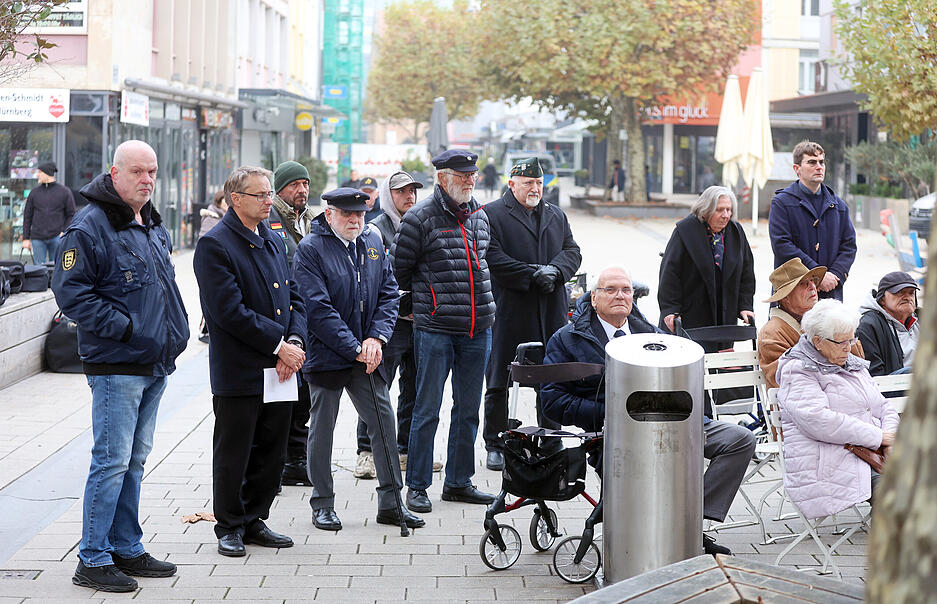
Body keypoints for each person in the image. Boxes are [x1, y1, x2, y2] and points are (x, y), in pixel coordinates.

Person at [540, 266, 755, 555]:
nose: (620, 295)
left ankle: (688, 522)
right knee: (641, 471)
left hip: (675, 421)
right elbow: (552, 401)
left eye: (626, 290)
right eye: (611, 290)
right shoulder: (567, 339)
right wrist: (609, 411)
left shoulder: (651, 333)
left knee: (740, 439)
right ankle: (668, 533)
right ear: (593, 298)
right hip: (615, 432)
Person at [51, 140, 189, 592]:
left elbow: (163, 286)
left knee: (134, 461)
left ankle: (127, 547)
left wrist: (174, 333)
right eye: (137, 172)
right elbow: (72, 293)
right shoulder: (89, 226)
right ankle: (92, 558)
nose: (147, 179)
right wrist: (128, 330)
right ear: (114, 173)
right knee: (111, 461)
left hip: (154, 362)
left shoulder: (149, 222)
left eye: (152, 171)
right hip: (116, 364)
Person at [293, 187, 424, 531]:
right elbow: (317, 309)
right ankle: (322, 504)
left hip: (368, 353)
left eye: (361, 214)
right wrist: (355, 347)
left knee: (383, 422)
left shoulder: (373, 241)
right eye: (347, 214)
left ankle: (392, 502)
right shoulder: (311, 249)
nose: (355, 220)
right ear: (330, 214)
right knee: (322, 429)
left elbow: (388, 293)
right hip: (329, 355)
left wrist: (376, 337)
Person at [193, 166, 306, 557]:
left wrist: (293, 339)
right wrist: (280, 347)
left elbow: (295, 297)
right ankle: (229, 524)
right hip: (241, 370)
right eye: (260, 195)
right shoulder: (216, 244)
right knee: (235, 450)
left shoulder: (273, 239)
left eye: (270, 193)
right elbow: (228, 312)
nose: (268, 200)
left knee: (271, 449)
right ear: (236, 199)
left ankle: (255, 517)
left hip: (280, 368)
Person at [391, 149, 497, 514]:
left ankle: (458, 481)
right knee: (427, 409)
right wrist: (426, 304)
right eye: (462, 174)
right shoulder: (419, 219)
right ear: (441, 177)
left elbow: (485, 261)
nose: (470, 180)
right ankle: (417, 486)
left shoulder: (480, 215)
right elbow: (397, 273)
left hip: (478, 329)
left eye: (473, 174)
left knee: (468, 410)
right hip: (435, 328)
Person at [482, 157, 582, 471]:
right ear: (512, 184)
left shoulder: (555, 214)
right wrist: (530, 274)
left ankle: (549, 437)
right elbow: (492, 256)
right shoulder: (492, 214)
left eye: (538, 183)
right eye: (527, 183)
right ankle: (496, 442)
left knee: (550, 377)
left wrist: (555, 271)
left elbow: (572, 251)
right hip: (510, 310)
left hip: (550, 310)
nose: (534, 188)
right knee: (500, 378)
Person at [353, 171, 443, 479]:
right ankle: (366, 452)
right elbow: (374, 278)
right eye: (401, 191)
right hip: (389, 323)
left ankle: (406, 450)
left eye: (413, 191)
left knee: (415, 390)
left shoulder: (425, 223)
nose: (409, 196)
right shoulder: (375, 230)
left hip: (423, 322)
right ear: (387, 194)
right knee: (377, 387)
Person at [776, 299, 900, 519]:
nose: (849, 347)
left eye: (851, 339)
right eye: (841, 342)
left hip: (872, 454)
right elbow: (820, 421)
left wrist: (889, 441)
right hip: (832, 463)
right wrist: (880, 437)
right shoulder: (798, 369)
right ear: (818, 342)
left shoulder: (850, 362)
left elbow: (884, 407)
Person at [658, 186, 755, 349]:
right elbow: (670, 273)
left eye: (729, 210)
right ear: (705, 210)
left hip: (725, 315)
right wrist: (670, 309)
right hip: (692, 314)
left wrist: (745, 306)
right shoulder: (685, 231)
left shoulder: (736, 232)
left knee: (720, 366)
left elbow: (746, 273)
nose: (725, 215)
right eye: (719, 210)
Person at [269, 160, 315, 487]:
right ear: (280, 188)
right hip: (282, 317)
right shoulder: (271, 219)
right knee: (283, 394)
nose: (302, 190)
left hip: (310, 317)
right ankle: (281, 459)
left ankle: (297, 457)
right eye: (295, 185)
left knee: (305, 394)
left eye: (306, 184)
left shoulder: (311, 220)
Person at [769, 140, 856, 301]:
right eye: (811, 162)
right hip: (793, 293)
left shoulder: (839, 206)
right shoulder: (782, 203)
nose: (819, 166)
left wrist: (834, 275)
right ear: (797, 169)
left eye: (821, 162)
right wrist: (817, 275)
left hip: (830, 294)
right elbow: (782, 245)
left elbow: (849, 246)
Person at [758, 258, 863, 389]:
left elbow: (859, 360)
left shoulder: (829, 318)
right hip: (803, 403)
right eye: (803, 284)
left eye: (813, 281)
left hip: (843, 395)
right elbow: (786, 380)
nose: (812, 287)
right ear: (785, 297)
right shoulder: (772, 332)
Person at [856, 271, 920, 376]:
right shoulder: (868, 326)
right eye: (900, 292)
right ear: (882, 299)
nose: (907, 297)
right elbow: (875, 374)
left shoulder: (923, 319)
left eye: (911, 293)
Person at [22, 161, 76, 263]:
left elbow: (71, 214)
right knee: (38, 271)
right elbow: (27, 216)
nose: (37, 175)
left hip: (57, 237)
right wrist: (26, 238)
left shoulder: (64, 192)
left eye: (40, 172)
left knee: (56, 269)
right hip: (37, 238)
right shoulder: (34, 193)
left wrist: (64, 232)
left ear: (47, 173)